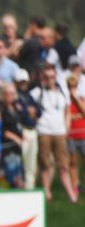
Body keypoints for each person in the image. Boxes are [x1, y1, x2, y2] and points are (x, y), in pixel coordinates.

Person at [31, 65, 77, 202]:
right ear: (42, 78)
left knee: (64, 164)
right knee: (45, 164)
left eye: (52, 76)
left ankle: (71, 195)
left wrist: (67, 127)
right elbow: (28, 105)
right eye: (46, 77)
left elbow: (68, 111)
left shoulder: (63, 92)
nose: (49, 79)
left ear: (55, 77)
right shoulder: (37, 92)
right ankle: (47, 193)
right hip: (44, 131)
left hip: (59, 131)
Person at [67, 74, 85, 195]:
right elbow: (66, 116)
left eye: (75, 86)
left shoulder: (81, 99)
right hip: (71, 136)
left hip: (83, 134)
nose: (73, 88)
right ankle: (75, 185)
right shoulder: (66, 100)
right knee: (72, 162)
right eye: (70, 86)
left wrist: (77, 99)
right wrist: (76, 116)